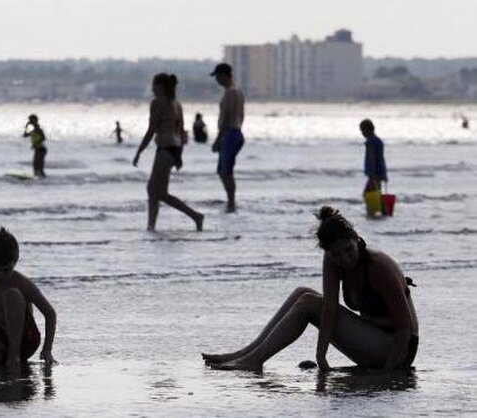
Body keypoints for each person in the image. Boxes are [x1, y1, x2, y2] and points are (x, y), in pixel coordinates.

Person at [202, 206, 419, 372]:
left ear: (355, 238)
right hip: (373, 338)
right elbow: (330, 308)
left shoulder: (378, 266)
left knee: (308, 303)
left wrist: (388, 373)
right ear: (328, 252)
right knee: (302, 292)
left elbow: (406, 328)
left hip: (397, 349)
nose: (345, 259)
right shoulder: (333, 259)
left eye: (348, 250)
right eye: (336, 254)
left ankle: (254, 361)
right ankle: (245, 354)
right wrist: (321, 355)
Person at [0, 228, 57, 368]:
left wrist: (47, 349)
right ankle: (4, 357)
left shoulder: (20, 282)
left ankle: (14, 355)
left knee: (12, 295)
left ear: (16, 260)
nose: (0, 276)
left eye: (6, 270)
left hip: (25, 338)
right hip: (0, 336)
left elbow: (50, 313)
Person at [132, 73, 204, 231]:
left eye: (154, 85)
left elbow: (151, 130)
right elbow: (182, 133)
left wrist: (139, 152)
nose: (152, 89)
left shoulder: (157, 103)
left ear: (162, 86)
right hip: (174, 149)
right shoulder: (177, 103)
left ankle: (195, 216)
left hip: (165, 149)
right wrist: (180, 156)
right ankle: (151, 227)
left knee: (159, 193)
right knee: (153, 190)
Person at [210, 63, 245, 213]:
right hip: (235, 132)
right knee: (222, 170)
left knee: (226, 171)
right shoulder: (238, 92)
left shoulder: (230, 92)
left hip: (229, 133)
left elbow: (227, 115)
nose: (216, 80)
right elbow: (241, 115)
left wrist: (219, 138)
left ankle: (231, 202)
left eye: (217, 76)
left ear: (223, 75)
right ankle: (230, 201)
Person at [361, 119, 388, 215]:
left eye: (362, 130)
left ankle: (374, 212)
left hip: (374, 173)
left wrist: (372, 174)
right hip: (380, 171)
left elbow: (371, 158)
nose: (362, 133)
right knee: (377, 193)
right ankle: (381, 212)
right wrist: (384, 174)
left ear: (367, 130)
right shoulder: (378, 141)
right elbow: (381, 158)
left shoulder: (370, 142)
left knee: (368, 193)